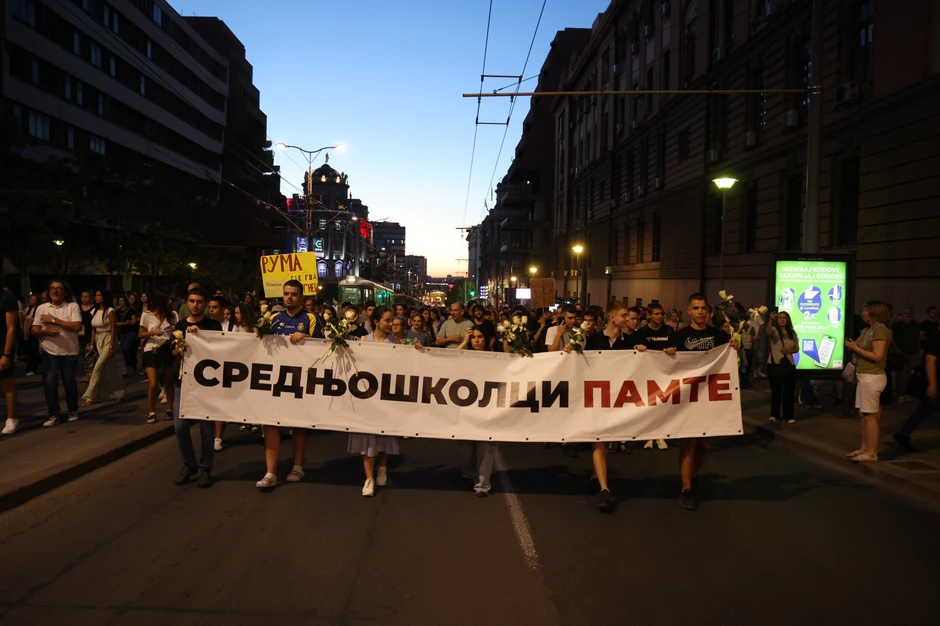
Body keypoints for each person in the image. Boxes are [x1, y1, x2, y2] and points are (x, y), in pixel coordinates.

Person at [667, 293, 739, 510]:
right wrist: (668, 353)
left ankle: (691, 474)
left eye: (703, 308)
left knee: (705, 445)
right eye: (696, 308)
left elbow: (728, 361)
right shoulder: (679, 337)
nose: (700, 312)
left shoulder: (718, 336)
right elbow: (666, 367)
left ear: (708, 312)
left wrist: (735, 346)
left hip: (710, 398)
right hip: (687, 398)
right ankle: (686, 489)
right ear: (688, 311)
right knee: (689, 443)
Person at [255, 280, 324, 490]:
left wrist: (307, 338)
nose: (289, 297)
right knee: (271, 424)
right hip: (275, 379)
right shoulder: (274, 318)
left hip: (300, 379)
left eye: (294, 294)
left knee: (298, 424)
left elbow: (323, 347)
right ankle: (271, 473)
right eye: (286, 294)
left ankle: (297, 466)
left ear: (301, 297)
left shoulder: (311, 318)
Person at [349, 305, 402, 496]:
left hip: (384, 398)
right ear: (376, 322)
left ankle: (382, 467)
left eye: (392, 320)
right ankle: (369, 478)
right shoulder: (363, 341)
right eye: (387, 320)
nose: (391, 323)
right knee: (366, 436)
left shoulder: (395, 343)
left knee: (382, 435)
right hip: (366, 396)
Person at [172, 287, 221, 488]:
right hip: (183, 383)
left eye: (199, 301)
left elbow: (221, 351)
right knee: (180, 426)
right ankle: (189, 463)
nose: (195, 305)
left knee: (206, 428)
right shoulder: (180, 325)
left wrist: (200, 335)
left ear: (206, 304)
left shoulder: (213, 325)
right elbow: (173, 353)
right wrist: (180, 345)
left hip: (206, 384)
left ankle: (205, 467)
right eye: (191, 301)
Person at [454, 326, 499, 496]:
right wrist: (464, 341)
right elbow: (449, 360)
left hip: (488, 409)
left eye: (480, 337)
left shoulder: (495, 357)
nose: (477, 340)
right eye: (474, 338)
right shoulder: (464, 355)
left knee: (487, 446)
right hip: (466, 409)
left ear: (486, 339)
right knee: (465, 449)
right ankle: (468, 475)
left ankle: (482, 485)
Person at [844, 301, 891, 462]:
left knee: (871, 416)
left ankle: (872, 452)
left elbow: (877, 355)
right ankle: (864, 447)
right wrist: (852, 345)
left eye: (865, 310)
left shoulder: (881, 330)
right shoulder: (867, 329)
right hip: (863, 376)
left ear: (874, 312)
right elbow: (854, 345)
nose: (862, 313)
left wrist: (856, 348)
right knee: (863, 414)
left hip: (873, 377)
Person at [32, 280, 83, 427]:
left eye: (59, 288)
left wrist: (53, 320)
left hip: (69, 351)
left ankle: (72, 410)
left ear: (65, 292)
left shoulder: (72, 307)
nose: (55, 291)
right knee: (50, 383)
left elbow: (76, 326)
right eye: (52, 288)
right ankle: (53, 414)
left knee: (69, 382)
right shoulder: (42, 308)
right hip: (48, 350)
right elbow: (34, 330)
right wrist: (46, 331)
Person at [894, 328, 940, 451]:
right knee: (932, 408)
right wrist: (932, 384)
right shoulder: (937, 336)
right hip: (935, 379)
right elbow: (930, 360)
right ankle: (902, 434)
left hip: (934, 380)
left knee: (926, 409)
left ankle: (903, 434)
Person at [139, 291, 178, 424]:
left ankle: (170, 409)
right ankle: (152, 411)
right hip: (152, 349)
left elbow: (176, 332)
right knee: (153, 383)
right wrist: (152, 332)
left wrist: (173, 335)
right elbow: (141, 334)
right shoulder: (146, 315)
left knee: (169, 382)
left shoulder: (172, 315)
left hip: (166, 349)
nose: (170, 302)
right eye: (168, 300)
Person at [638, 303, 672, 450]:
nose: (660, 316)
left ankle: (661, 435)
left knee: (663, 404)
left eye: (661, 313)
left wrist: (673, 349)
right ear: (649, 315)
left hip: (665, 372)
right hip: (647, 373)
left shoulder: (669, 330)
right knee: (650, 405)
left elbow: (675, 347)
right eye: (657, 314)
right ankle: (649, 436)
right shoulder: (642, 331)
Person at [81, 290, 125, 405]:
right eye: (96, 295)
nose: (96, 297)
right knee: (110, 368)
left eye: (99, 295)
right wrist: (91, 344)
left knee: (98, 367)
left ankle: (90, 395)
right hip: (98, 340)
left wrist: (111, 346)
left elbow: (113, 329)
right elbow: (93, 330)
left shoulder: (110, 311)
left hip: (108, 339)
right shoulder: (94, 311)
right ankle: (118, 391)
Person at [765, 311, 798, 424]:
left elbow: (797, 348)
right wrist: (771, 319)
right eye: (779, 317)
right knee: (776, 391)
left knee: (789, 391)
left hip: (788, 364)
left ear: (788, 320)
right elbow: (768, 332)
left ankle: (788, 416)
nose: (782, 319)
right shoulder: (774, 330)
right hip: (775, 364)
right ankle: (774, 414)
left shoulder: (792, 332)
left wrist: (788, 351)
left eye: (784, 318)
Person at [891, 307, 920, 403]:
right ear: (902, 314)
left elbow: (918, 337)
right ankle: (899, 393)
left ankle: (907, 393)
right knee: (900, 375)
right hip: (901, 353)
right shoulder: (897, 325)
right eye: (906, 313)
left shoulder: (915, 324)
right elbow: (892, 338)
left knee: (910, 374)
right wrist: (897, 349)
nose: (908, 315)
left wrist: (918, 347)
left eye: (910, 313)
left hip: (913, 352)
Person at [1, 287, 19, 435]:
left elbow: (11, 328)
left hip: (2, 346)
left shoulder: (6, 296)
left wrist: (6, 354)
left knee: (7, 381)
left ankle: (11, 418)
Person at [115, 296, 139, 373]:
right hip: (122, 332)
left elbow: (134, 321)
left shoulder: (131, 311)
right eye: (119, 300)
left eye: (122, 300)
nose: (121, 302)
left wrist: (123, 323)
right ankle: (128, 366)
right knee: (125, 350)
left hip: (131, 332)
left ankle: (131, 364)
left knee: (127, 347)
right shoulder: (117, 311)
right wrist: (124, 323)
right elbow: (115, 322)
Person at [77, 290, 96, 380]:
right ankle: (88, 372)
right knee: (82, 356)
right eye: (83, 297)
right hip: (79, 336)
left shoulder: (94, 308)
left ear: (91, 298)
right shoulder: (77, 308)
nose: (84, 299)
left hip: (91, 336)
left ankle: (90, 375)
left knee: (90, 356)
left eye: (86, 296)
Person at [22, 293, 41, 376]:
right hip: (27, 330)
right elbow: (26, 319)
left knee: (34, 350)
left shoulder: (37, 309)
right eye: (30, 299)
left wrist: (27, 330)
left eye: (33, 299)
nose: (31, 301)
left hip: (33, 330)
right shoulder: (28, 309)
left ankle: (32, 368)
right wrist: (24, 330)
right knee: (30, 350)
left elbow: (31, 320)